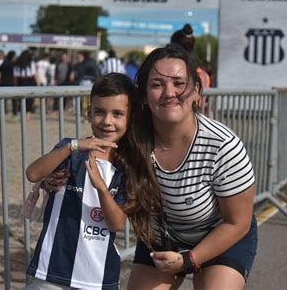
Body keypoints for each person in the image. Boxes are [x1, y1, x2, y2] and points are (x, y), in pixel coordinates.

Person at [125, 44, 257, 289]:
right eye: (156, 84)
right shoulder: (132, 139)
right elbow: (92, 161)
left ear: (196, 91)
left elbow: (238, 222)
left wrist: (188, 260)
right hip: (162, 238)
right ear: (143, 94)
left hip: (220, 235)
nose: (169, 92)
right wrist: (56, 178)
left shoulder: (222, 145)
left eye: (179, 83)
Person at [22, 73, 136, 289]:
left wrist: (101, 188)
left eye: (117, 114)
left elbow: (117, 223)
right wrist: (72, 146)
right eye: (99, 112)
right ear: (88, 113)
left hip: (98, 276)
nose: (107, 121)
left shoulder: (128, 166)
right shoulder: (71, 150)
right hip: (50, 270)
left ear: (129, 118)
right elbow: (33, 174)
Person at [14, 50, 40, 122]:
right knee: (30, 100)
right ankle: (27, 116)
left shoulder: (17, 64)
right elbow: (34, 75)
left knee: (22, 99)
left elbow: (15, 77)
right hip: (30, 82)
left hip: (21, 82)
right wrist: (38, 85)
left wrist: (15, 86)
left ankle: (23, 115)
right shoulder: (31, 63)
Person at [0, 50, 18, 117]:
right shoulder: (13, 64)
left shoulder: (4, 63)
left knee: (3, 99)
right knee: (14, 99)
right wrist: (16, 83)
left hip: (3, 83)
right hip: (11, 83)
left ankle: (4, 111)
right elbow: (15, 75)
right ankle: (14, 113)